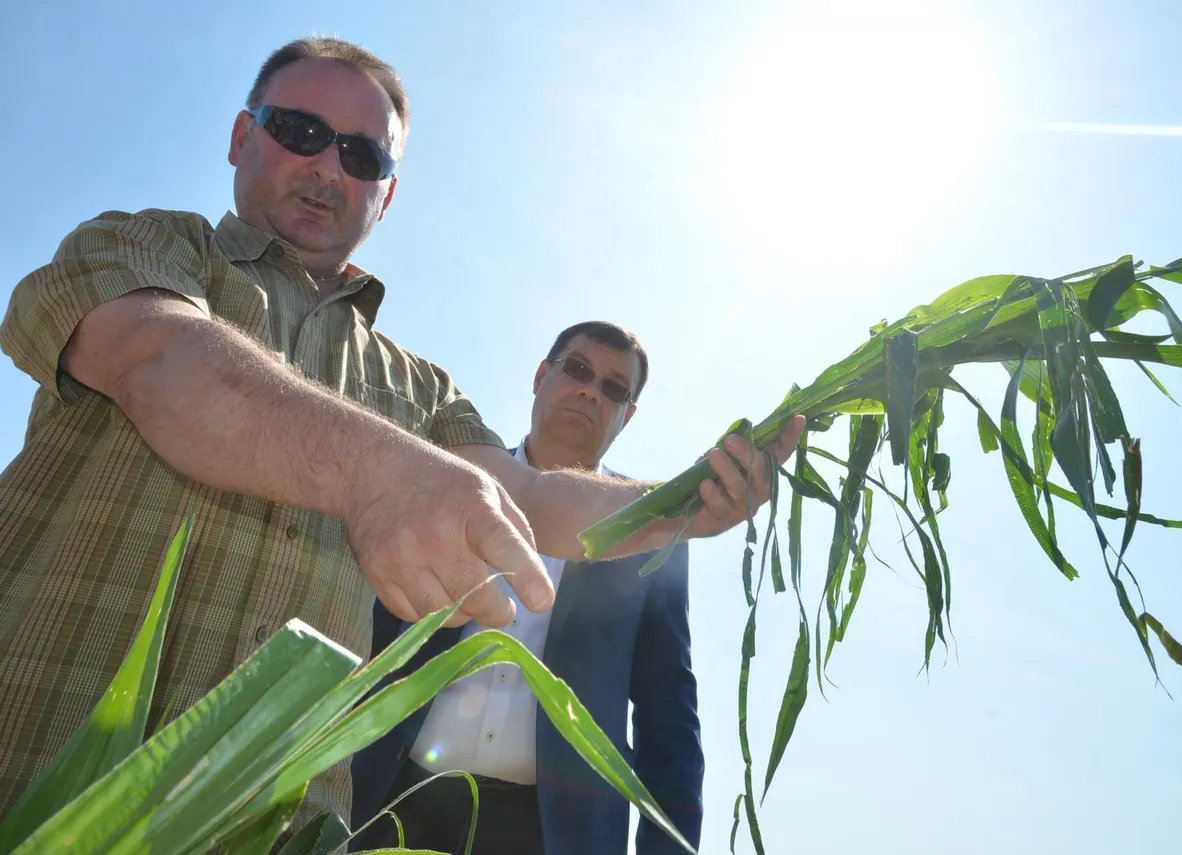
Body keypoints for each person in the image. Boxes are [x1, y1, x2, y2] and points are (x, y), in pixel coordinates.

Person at [0, 35, 803, 838]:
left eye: (361, 156)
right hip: (44, 768)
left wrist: (686, 504)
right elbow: (160, 360)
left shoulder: (422, 390)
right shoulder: (146, 248)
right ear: (242, 138)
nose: (327, 168)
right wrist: (374, 471)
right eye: (300, 131)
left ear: (385, 198)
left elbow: (526, 495)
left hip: (279, 824)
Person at [351, 321, 702, 855]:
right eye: (578, 369)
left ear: (627, 416)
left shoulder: (650, 538)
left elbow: (668, 719)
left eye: (613, 387)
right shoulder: (452, 480)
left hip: (550, 833)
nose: (590, 390)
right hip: (388, 800)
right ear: (541, 375)